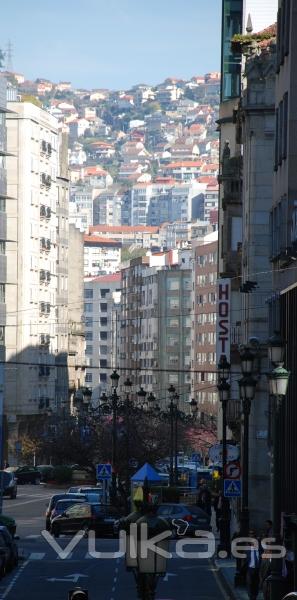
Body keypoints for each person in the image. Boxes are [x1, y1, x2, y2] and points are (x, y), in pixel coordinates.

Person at [245, 530, 261, 600]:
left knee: (256, 584)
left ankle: (255, 596)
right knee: (250, 583)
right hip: (250, 569)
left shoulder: (260, 550)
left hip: (258, 569)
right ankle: (251, 597)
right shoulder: (247, 549)